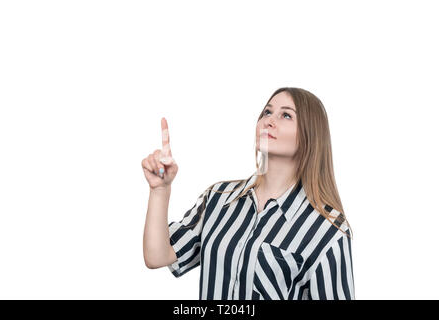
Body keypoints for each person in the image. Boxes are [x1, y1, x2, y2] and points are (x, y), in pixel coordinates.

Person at [142, 87, 355, 300]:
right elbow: (157, 256)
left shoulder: (328, 230)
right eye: (267, 112)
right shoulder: (218, 198)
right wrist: (160, 190)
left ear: (310, 136)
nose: (269, 121)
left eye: (286, 115)